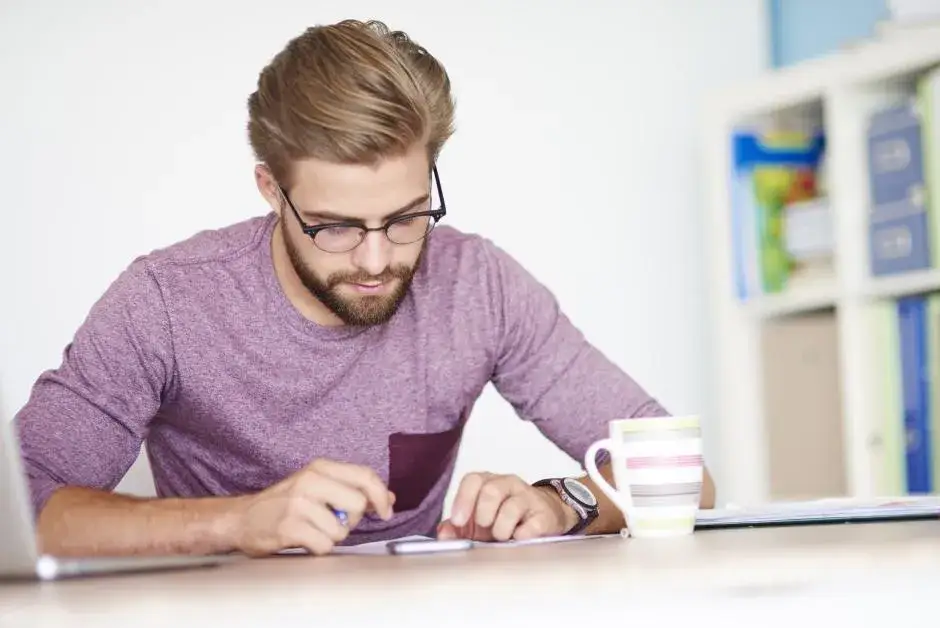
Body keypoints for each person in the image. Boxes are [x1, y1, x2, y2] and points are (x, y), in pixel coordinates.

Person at [13, 19, 715, 558]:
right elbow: (18, 510)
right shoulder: (165, 302)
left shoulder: (480, 285)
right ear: (270, 188)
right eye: (335, 227)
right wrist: (238, 520)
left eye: (407, 218)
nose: (377, 260)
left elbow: (685, 476)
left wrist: (565, 503)